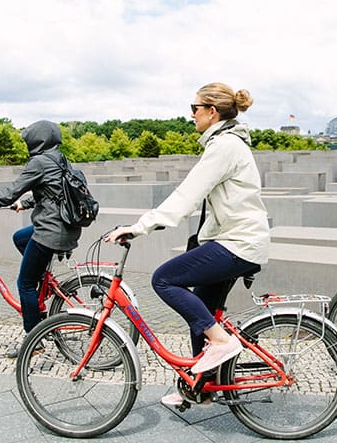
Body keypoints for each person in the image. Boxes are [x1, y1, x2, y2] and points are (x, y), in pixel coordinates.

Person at [106, 82, 270, 406]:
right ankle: (201, 388)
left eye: (193, 108)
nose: (190, 115)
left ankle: (222, 345)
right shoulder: (227, 143)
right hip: (237, 240)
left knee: (164, 279)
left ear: (212, 111)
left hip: (238, 244)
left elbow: (185, 197)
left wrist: (138, 228)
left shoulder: (224, 146)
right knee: (202, 315)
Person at [0, 120, 81, 357]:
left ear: (37, 140)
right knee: (20, 237)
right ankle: (42, 285)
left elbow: (10, 192)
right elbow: (56, 192)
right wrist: (26, 203)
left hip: (50, 231)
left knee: (24, 283)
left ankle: (34, 340)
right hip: (66, 226)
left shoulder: (39, 162)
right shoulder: (61, 159)